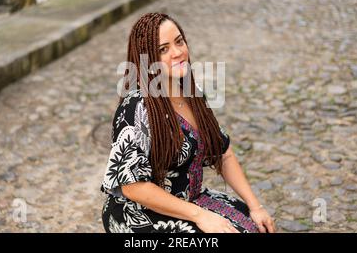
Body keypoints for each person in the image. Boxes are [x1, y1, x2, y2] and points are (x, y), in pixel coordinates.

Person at [100, 12, 275, 233]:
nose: (177, 52)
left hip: (191, 200)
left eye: (179, 41)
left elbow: (224, 153)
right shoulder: (136, 108)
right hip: (139, 214)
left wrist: (255, 206)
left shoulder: (192, 93)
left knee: (255, 229)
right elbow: (132, 186)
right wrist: (201, 217)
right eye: (163, 49)